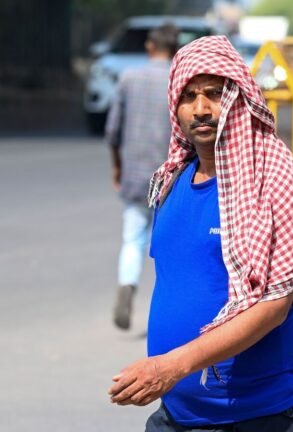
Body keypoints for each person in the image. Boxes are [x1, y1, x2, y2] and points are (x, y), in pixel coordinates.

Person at [107, 36, 293, 431]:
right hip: (179, 415)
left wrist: (172, 366)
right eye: (189, 96)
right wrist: (169, 372)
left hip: (264, 417)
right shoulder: (173, 180)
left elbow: (274, 306)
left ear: (239, 97)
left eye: (214, 94)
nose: (201, 109)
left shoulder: (275, 180)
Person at [106, 23, 180, 330]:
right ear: (175, 49)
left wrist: (117, 167)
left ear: (150, 46)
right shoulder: (178, 81)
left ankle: (127, 285)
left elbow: (113, 130)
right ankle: (169, 309)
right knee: (169, 243)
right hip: (172, 179)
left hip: (135, 176)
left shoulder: (128, 78)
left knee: (133, 238)